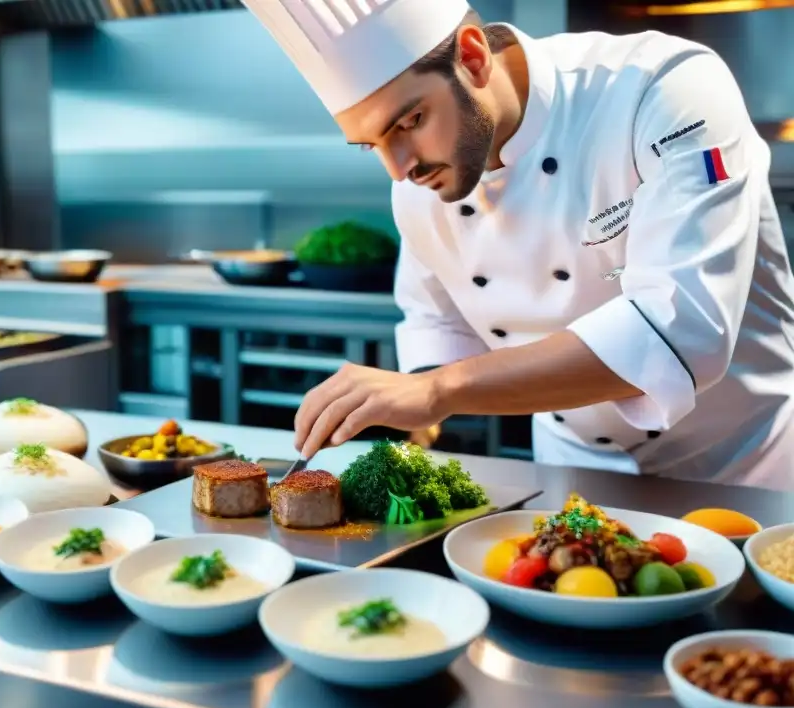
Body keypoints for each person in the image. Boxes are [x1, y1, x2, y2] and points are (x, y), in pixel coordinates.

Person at [242, 0, 794, 492]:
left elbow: (682, 328)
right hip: (572, 473)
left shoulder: (661, 88)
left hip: (738, 470)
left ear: (474, 57)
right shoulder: (419, 182)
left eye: (410, 120)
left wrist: (440, 390)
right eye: (372, 146)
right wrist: (412, 417)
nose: (400, 168)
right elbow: (438, 320)